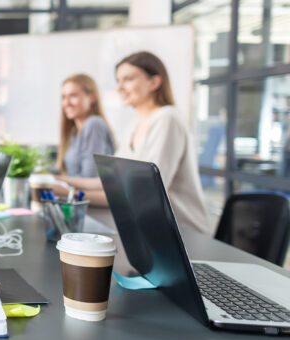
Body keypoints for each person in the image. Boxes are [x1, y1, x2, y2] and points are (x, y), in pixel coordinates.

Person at [59, 51, 211, 236]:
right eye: (118, 81)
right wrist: (62, 181)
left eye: (128, 79)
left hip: (182, 234)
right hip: (147, 230)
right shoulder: (133, 126)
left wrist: (71, 194)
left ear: (154, 82)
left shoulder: (167, 119)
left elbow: (147, 193)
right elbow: (111, 181)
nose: (120, 87)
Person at [56, 73, 115, 178]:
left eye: (73, 95)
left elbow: (90, 177)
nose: (66, 103)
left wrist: (60, 181)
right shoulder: (74, 131)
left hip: (85, 194)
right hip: (75, 192)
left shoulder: (94, 124)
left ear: (92, 97)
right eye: (64, 97)